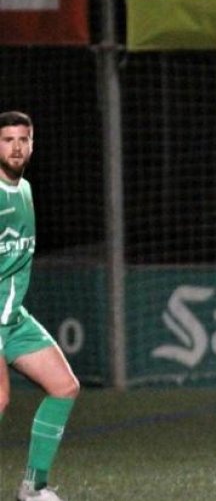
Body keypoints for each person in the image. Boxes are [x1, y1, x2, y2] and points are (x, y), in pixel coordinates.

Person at [0, 111, 80, 501]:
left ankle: (33, 488)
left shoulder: (26, 189)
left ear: (32, 144)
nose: (15, 147)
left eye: (22, 139)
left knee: (64, 386)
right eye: (7, 139)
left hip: (14, 318)